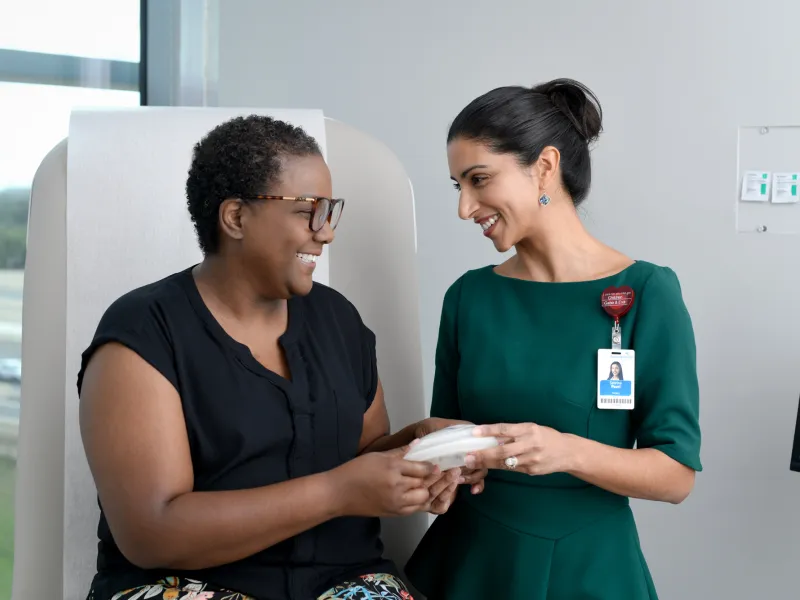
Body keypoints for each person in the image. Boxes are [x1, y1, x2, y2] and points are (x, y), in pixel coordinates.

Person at [77, 115, 487, 600]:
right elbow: (152, 531)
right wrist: (336, 493)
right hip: (187, 585)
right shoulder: (145, 334)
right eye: (307, 211)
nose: (326, 232)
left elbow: (360, 457)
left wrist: (418, 451)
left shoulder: (338, 320)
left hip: (343, 581)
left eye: (330, 211)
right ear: (235, 218)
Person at [405, 79, 703, 599]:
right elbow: (449, 435)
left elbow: (675, 475)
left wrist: (564, 451)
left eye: (479, 179)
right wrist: (441, 474)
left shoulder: (646, 292)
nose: (465, 207)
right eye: (458, 187)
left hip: (586, 567)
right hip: (469, 563)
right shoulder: (469, 298)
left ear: (544, 165)